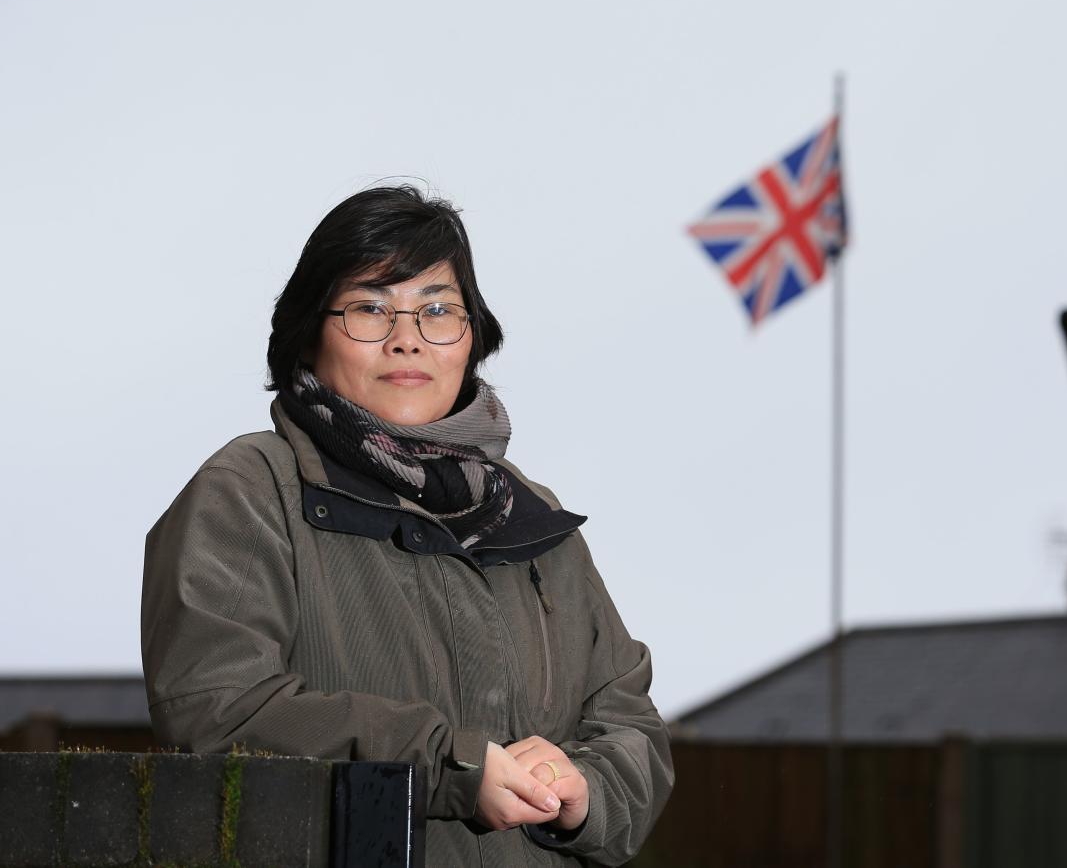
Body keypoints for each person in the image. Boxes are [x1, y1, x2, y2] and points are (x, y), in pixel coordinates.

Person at [140, 185, 674, 865]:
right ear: (308, 330)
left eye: (437, 310)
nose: (406, 340)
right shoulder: (251, 488)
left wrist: (585, 787)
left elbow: (629, 721)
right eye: (369, 308)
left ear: (471, 336)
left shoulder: (530, 515)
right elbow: (216, 708)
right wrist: (448, 761)